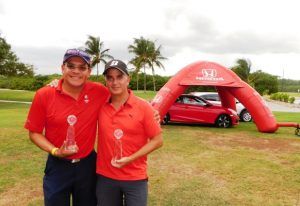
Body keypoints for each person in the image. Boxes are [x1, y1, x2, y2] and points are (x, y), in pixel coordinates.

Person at [24, 48, 110, 205]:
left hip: (87, 165)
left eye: (82, 67)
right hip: (57, 166)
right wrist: (56, 151)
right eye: (71, 66)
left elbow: (123, 95)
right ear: (63, 68)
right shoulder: (44, 94)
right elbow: (34, 133)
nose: (76, 71)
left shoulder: (99, 91)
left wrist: (151, 110)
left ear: (89, 71)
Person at [96, 59, 163, 206]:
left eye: (119, 77)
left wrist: (130, 158)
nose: (115, 82)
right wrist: (57, 81)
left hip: (135, 177)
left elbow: (157, 140)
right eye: (110, 78)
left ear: (128, 79)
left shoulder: (143, 107)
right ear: (106, 81)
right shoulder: (99, 103)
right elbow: (79, 88)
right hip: (105, 176)